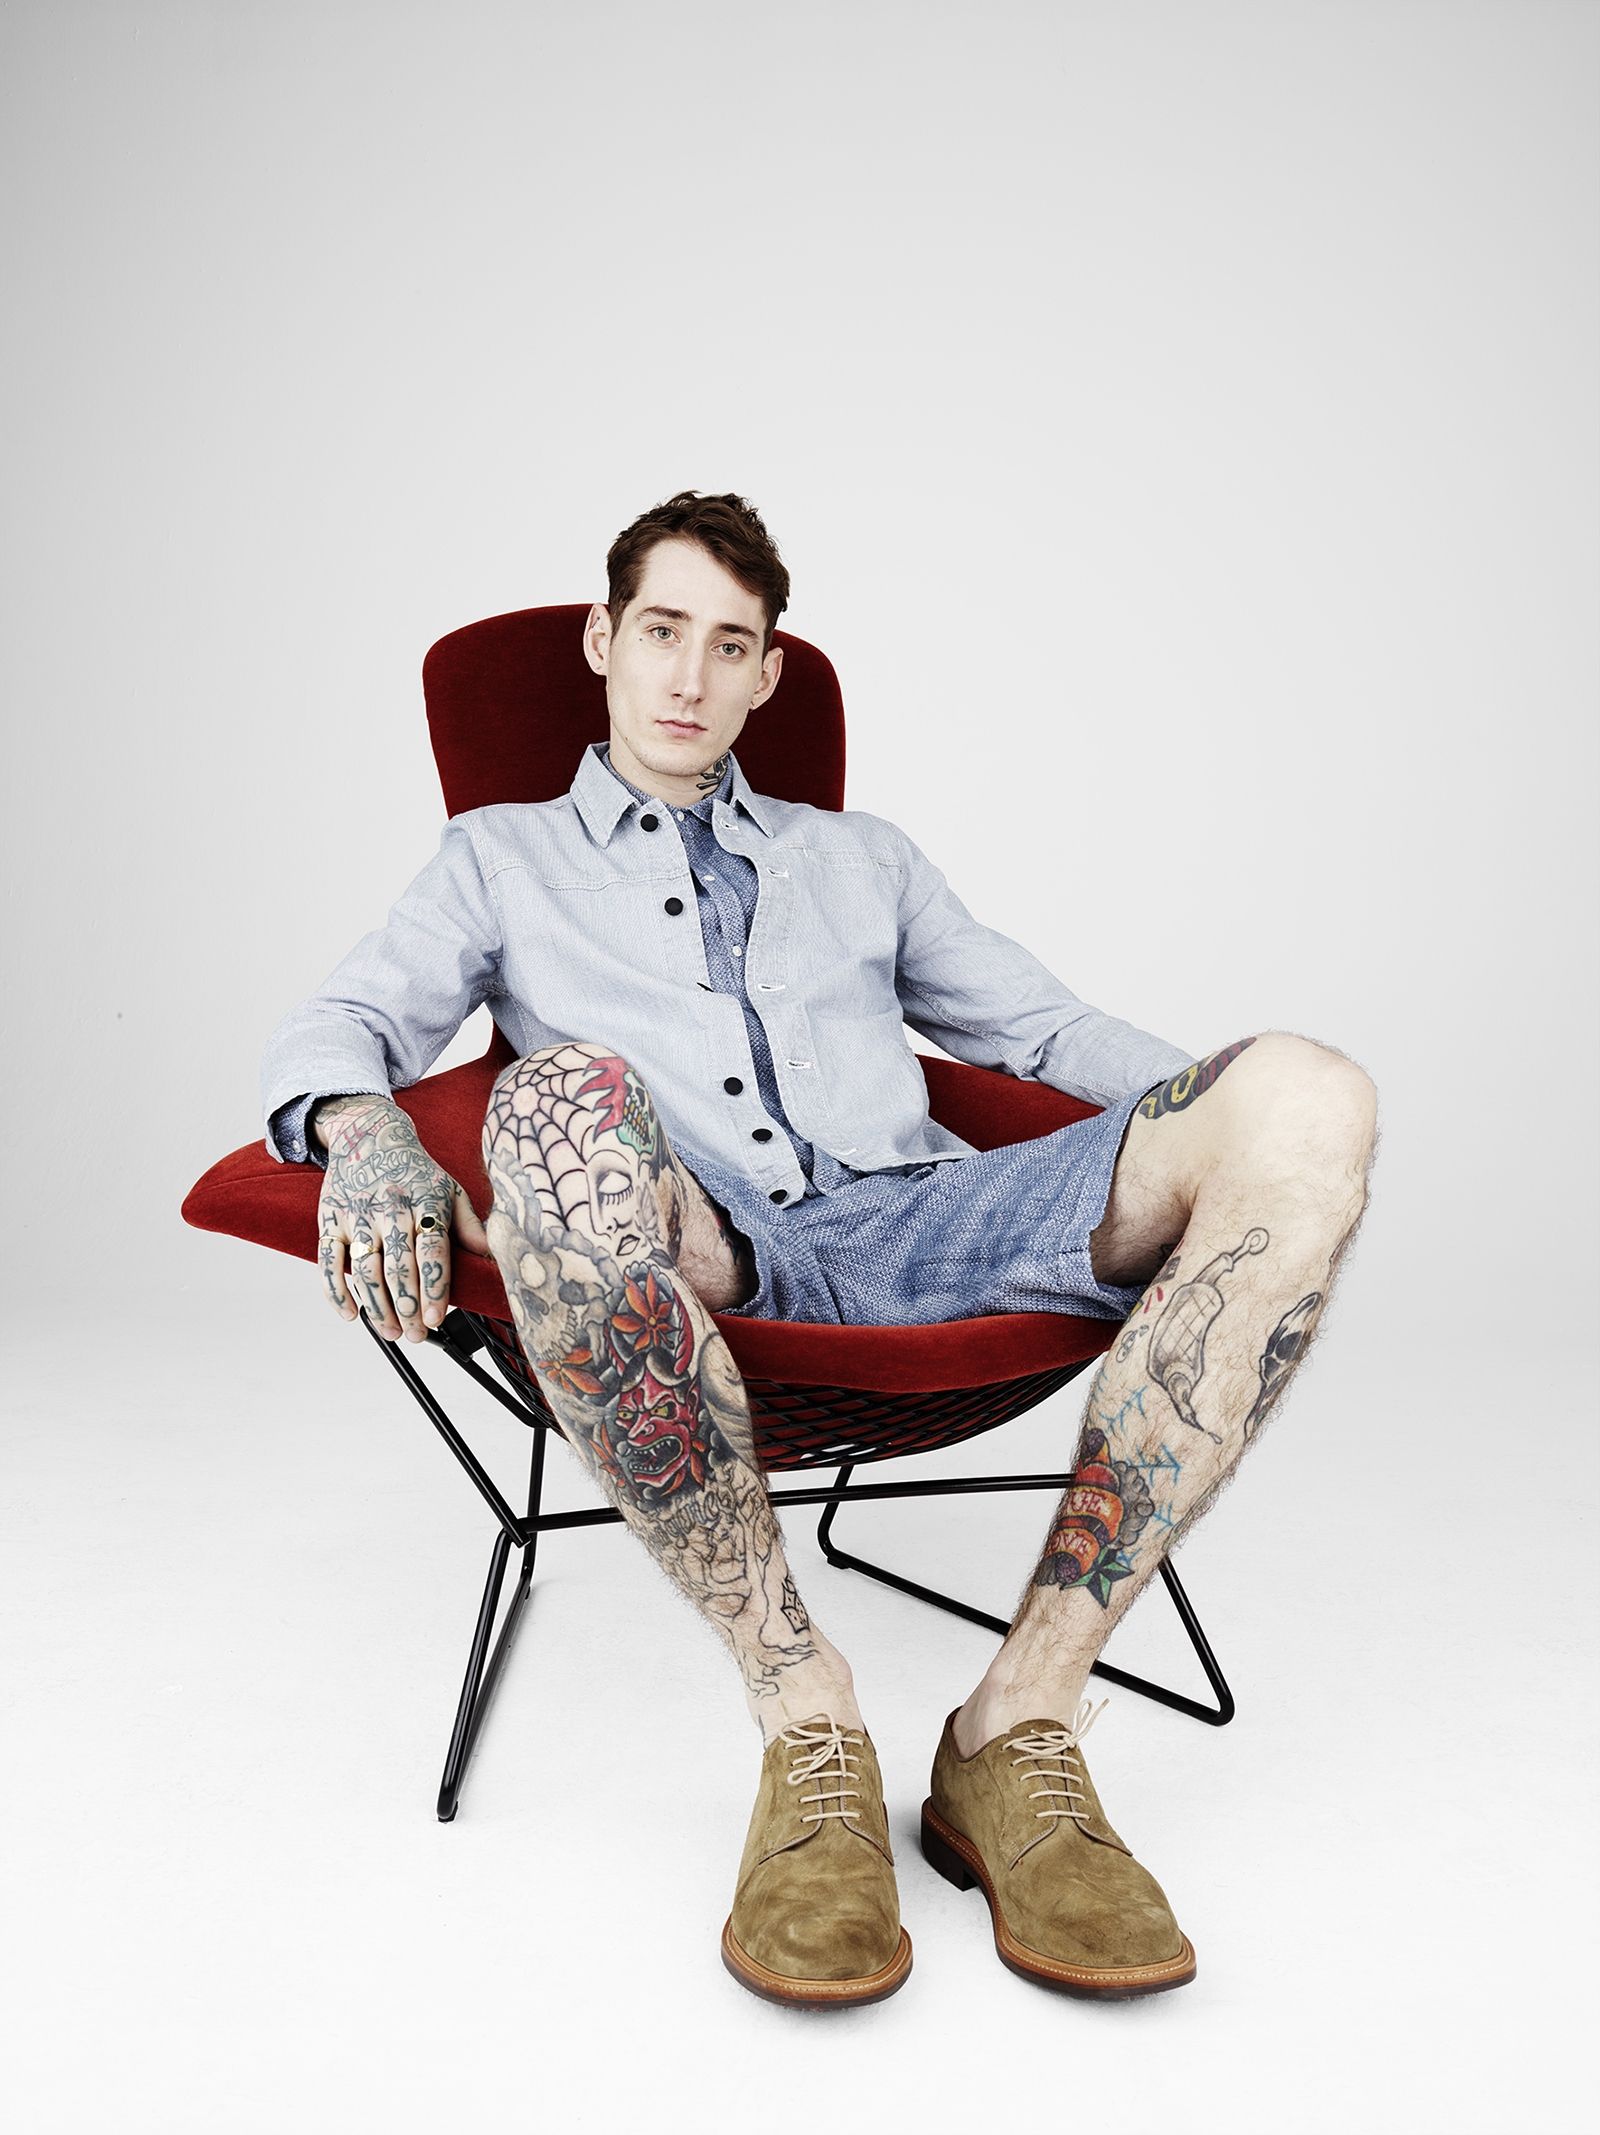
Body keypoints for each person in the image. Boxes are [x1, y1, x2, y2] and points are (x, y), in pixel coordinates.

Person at [261, 489, 1379, 2008]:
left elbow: (1044, 1030)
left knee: (1310, 1090)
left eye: (730, 646)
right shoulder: (495, 859)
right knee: (555, 1096)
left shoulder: (862, 857)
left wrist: (1228, 1118)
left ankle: (1020, 1724)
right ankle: (807, 1717)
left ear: (767, 673)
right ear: (602, 641)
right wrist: (367, 1135)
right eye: (661, 632)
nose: (688, 678)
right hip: (708, 1250)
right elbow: (341, 1022)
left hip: (934, 1215)